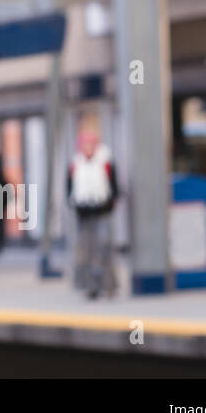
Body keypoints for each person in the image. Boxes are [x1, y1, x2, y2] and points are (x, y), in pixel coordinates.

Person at [67, 129, 117, 300]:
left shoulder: (105, 161)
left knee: (104, 247)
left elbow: (113, 186)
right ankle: (90, 286)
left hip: (102, 211)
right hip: (83, 213)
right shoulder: (76, 163)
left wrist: (108, 205)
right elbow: (70, 187)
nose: (88, 148)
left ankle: (109, 285)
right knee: (86, 251)